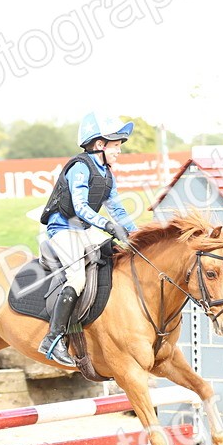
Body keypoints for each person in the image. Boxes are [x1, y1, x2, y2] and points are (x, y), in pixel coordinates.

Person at [37, 112, 138, 367]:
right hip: (61, 228)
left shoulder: (107, 173)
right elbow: (81, 207)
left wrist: (138, 237)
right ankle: (53, 338)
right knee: (77, 278)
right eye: (116, 146)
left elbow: (118, 210)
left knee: (114, 254)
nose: (119, 151)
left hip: (82, 230)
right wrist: (107, 225)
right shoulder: (80, 167)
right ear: (100, 144)